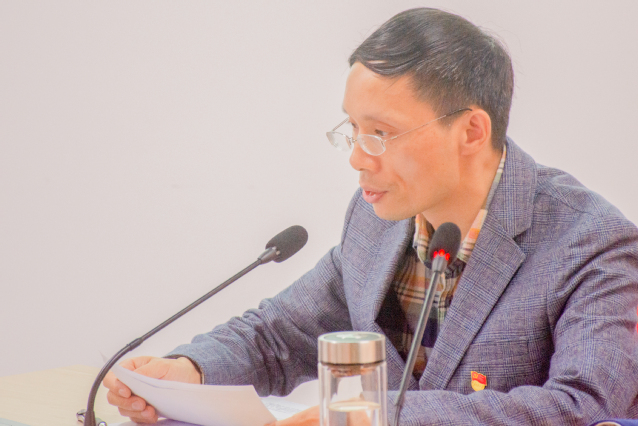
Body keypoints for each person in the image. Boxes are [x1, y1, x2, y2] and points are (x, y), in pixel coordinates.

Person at [103, 8, 638, 425]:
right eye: (353, 130)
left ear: (471, 132)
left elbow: (587, 406)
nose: (358, 158)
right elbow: (283, 334)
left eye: (380, 133)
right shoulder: (375, 216)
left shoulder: (590, 242)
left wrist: (377, 417)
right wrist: (188, 371)